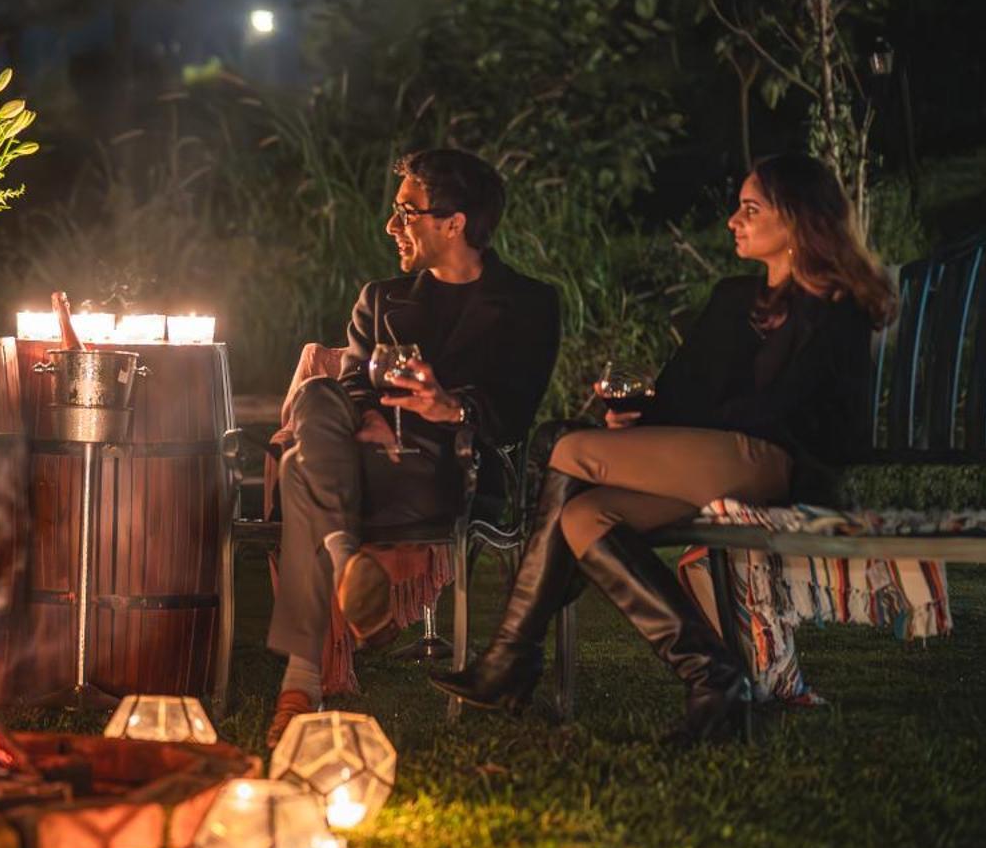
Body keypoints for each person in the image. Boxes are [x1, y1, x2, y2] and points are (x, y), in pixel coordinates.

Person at [431, 152, 896, 744]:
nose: (733, 220)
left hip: (778, 467)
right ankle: (712, 677)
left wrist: (680, 430)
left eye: (751, 210)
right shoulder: (735, 298)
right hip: (710, 462)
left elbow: (791, 413)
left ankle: (512, 654)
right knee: (582, 515)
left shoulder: (836, 308)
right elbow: (683, 393)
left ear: (800, 222)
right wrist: (640, 418)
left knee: (562, 443)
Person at [267, 149, 561, 747]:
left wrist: (449, 407)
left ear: (454, 223)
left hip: (452, 470)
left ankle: (302, 682)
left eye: (406, 212)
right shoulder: (381, 297)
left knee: (299, 468)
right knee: (319, 391)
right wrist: (369, 414)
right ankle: (347, 573)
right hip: (360, 462)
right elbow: (349, 382)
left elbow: (514, 410)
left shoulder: (530, 304)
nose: (390, 226)